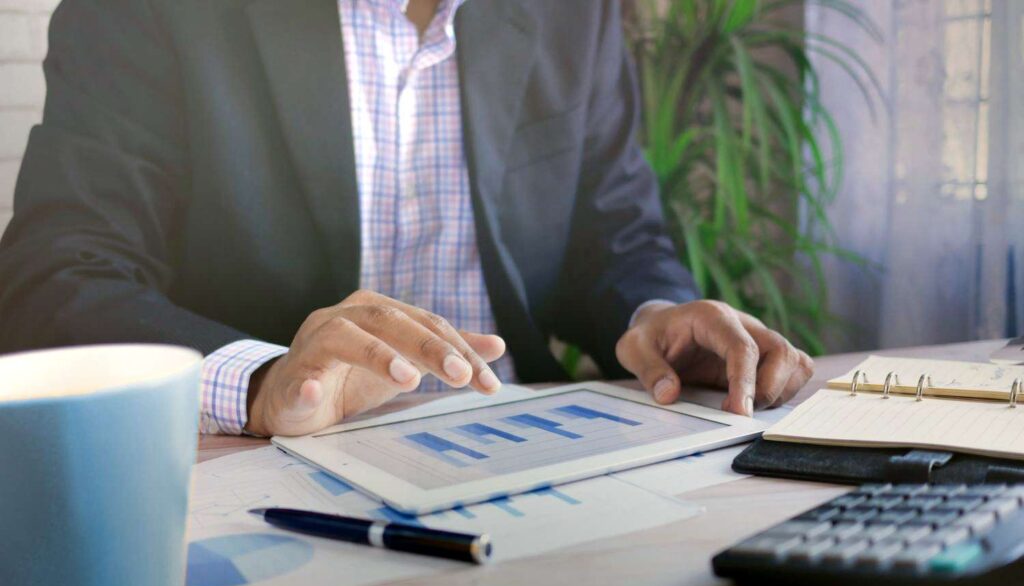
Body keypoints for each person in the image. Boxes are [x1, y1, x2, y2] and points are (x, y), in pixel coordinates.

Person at [0, 0, 812, 437]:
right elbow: (53, 280)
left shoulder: (573, 11)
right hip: (266, 467)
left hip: (525, 453)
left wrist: (659, 313)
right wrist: (261, 381)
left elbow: (615, 233)